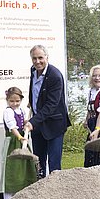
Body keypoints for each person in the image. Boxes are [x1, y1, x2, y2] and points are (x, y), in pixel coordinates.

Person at [25, 45, 71, 178]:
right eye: (34, 58)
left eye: (40, 58)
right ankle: (40, 189)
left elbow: (51, 105)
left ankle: (56, 193)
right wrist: (33, 102)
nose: (37, 61)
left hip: (54, 124)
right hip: (38, 124)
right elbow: (36, 92)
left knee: (54, 163)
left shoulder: (55, 76)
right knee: (38, 161)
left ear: (47, 57)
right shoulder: (33, 71)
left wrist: (32, 121)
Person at [1, 87, 37, 199]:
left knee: (25, 166)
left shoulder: (21, 110)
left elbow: (22, 123)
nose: (15, 103)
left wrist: (27, 124)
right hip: (13, 141)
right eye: (12, 101)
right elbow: (12, 127)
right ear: (7, 100)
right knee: (13, 168)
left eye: (17, 101)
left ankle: (23, 196)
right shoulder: (8, 112)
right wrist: (20, 137)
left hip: (22, 140)